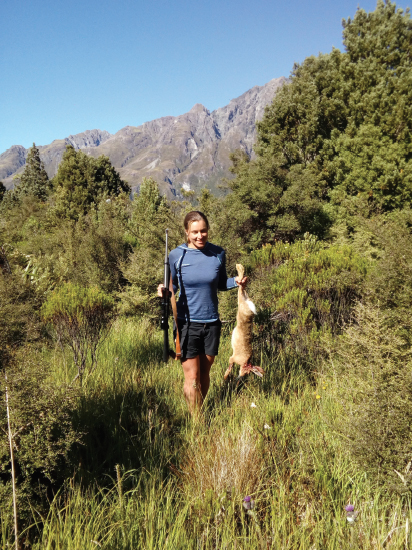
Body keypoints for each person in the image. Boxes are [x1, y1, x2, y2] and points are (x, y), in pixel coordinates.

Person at [157, 211, 247, 414]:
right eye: (195, 232)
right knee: (192, 376)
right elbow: (172, 287)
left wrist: (236, 282)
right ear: (187, 232)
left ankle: (201, 410)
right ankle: (195, 419)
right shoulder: (176, 255)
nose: (200, 236)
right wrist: (163, 290)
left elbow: (221, 283)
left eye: (203, 231)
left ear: (208, 230)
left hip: (212, 322)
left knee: (205, 373)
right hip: (186, 323)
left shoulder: (218, 253)